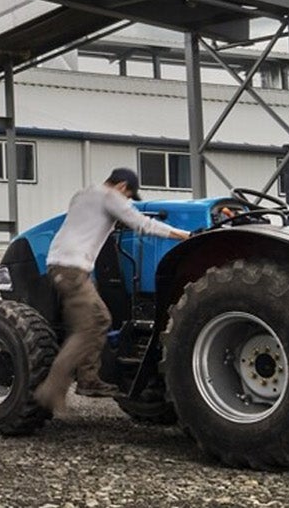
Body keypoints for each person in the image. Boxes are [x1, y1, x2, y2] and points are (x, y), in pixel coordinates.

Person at [33, 168, 191, 412]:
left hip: (68, 266)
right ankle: (53, 389)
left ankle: (88, 378)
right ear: (121, 186)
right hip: (71, 268)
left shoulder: (84, 194)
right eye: (128, 196)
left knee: (98, 319)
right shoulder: (109, 197)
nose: (127, 201)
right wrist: (183, 235)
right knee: (90, 325)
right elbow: (142, 224)